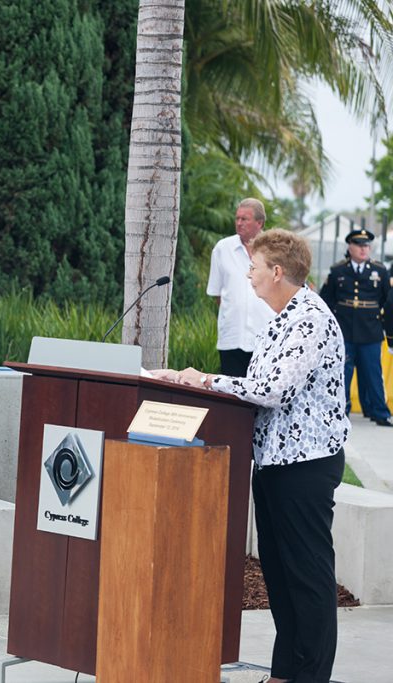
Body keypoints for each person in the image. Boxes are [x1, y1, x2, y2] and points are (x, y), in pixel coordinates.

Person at [154, 229, 349, 683]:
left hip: (305, 466)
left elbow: (271, 390)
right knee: (281, 577)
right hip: (274, 463)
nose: (249, 274)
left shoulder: (309, 319)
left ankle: (312, 676)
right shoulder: (283, 316)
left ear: (277, 272)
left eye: (255, 267)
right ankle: (285, 671)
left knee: (308, 576)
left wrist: (205, 380)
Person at [319, 228, 393, 427]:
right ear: (350, 247)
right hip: (345, 332)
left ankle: (379, 412)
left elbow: (388, 302)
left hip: (370, 331)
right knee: (342, 374)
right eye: (359, 245)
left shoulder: (380, 271)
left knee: (373, 374)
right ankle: (340, 411)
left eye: (366, 245)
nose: (363, 249)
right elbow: (325, 302)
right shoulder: (338, 271)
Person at [206, 198, 275, 376]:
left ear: (259, 223)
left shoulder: (275, 250)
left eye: (245, 219)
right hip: (232, 337)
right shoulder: (222, 248)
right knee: (232, 399)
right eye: (237, 218)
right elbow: (217, 294)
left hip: (266, 339)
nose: (239, 223)